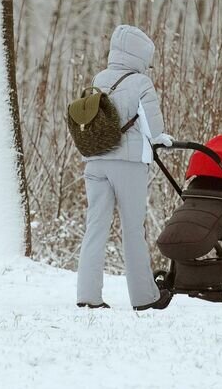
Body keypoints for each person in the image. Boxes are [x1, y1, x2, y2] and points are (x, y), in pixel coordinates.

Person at [76, 24, 172, 311]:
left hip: (95, 160)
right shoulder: (141, 82)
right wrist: (161, 140)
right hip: (127, 164)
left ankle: (87, 295)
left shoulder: (99, 78)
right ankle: (144, 297)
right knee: (133, 229)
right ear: (140, 56)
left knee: (95, 228)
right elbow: (154, 127)